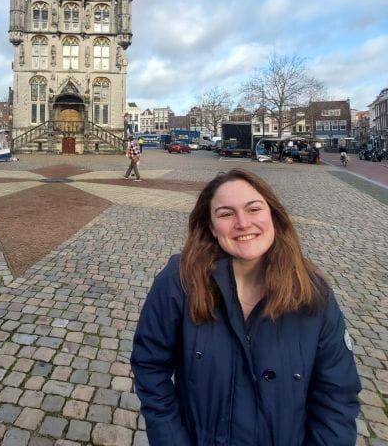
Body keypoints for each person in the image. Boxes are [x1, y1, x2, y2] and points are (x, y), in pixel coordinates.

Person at [132, 169, 361, 445]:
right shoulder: (178, 282)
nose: (243, 223)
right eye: (226, 214)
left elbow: (337, 396)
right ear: (211, 227)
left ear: (273, 216)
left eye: (253, 209)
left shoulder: (313, 295)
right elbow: (150, 365)